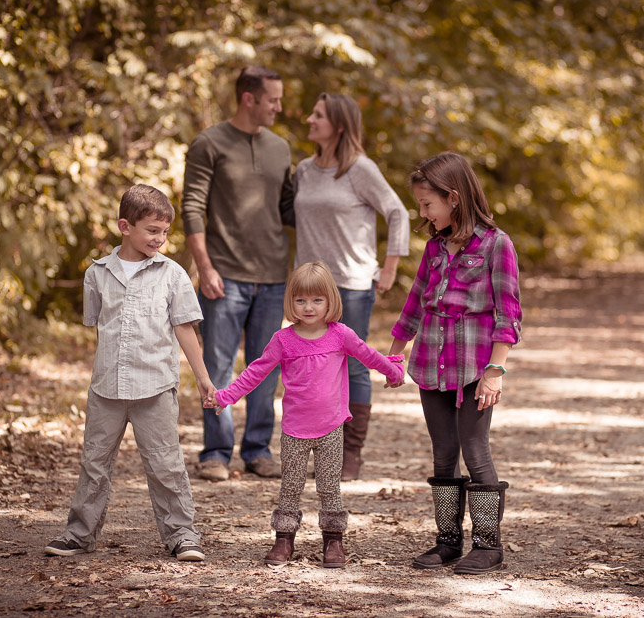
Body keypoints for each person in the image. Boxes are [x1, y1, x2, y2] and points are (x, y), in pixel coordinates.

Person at [45, 184, 215, 562]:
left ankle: (182, 535)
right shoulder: (98, 274)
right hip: (107, 388)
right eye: (152, 230)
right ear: (125, 226)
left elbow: (185, 328)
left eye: (165, 232)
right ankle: (79, 534)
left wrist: (203, 378)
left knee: (166, 464)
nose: (160, 238)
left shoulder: (172, 275)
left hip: (155, 387)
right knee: (94, 463)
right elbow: (98, 325)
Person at [203, 262, 405, 567]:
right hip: (295, 428)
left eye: (316, 300)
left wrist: (393, 370)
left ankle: (333, 542)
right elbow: (256, 371)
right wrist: (227, 396)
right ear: (291, 302)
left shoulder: (340, 335)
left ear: (330, 301)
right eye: (301, 300)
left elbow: (368, 355)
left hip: (331, 426)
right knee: (291, 486)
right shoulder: (283, 340)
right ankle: (284, 542)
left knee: (329, 487)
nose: (308, 307)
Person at [386, 152, 523, 575]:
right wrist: (394, 353)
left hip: (476, 367)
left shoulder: (497, 244)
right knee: (443, 452)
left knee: (475, 449)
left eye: (428, 204)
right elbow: (414, 304)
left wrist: (495, 371)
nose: (423, 212)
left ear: (455, 198)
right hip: (431, 358)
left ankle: (487, 545)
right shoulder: (434, 247)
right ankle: (448, 541)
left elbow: (509, 314)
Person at [182, 65, 295, 482]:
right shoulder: (208, 143)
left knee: (266, 367)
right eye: (273, 100)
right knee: (217, 366)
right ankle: (215, 452)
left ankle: (258, 449)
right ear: (249, 98)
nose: (278, 107)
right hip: (223, 275)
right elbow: (192, 207)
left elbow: (290, 209)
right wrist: (205, 267)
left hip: (272, 276)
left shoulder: (281, 149)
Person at [294, 92, 409, 481]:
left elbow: (397, 212)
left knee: (355, 366)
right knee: (312, 366)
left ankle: (351, 453)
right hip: (310, 288)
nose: (310, 119)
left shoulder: (360, 169)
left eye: (318, 115)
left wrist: (389, 267)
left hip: (353, 284)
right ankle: (321, 446)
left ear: (339, 125)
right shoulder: (305, 170)